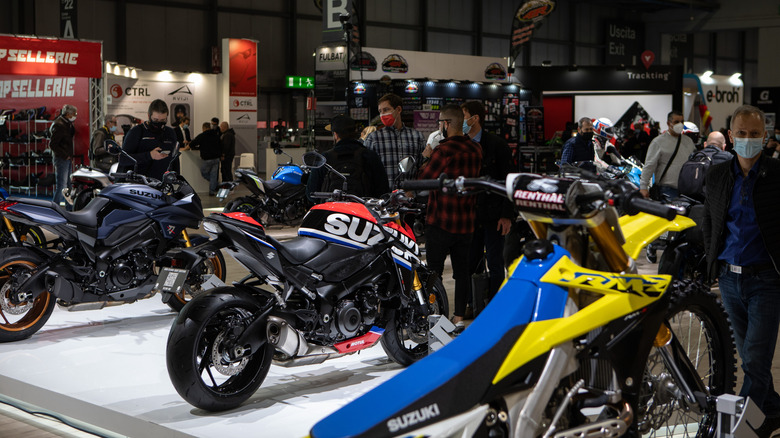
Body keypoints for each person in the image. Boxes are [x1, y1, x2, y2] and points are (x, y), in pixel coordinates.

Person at [702, 105, 780, 437]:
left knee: (757, 359)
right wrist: (711, 263)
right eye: (742, 133)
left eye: (755, 133)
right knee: (750, 357)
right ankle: (774, 411)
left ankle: (742, 428)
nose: (748, 139)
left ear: (766, 137)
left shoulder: (778, 175)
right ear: (731, 137)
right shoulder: (717, 175)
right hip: (730, 280)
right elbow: (710, 222)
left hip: (767, 280)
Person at [418, 104, 482, 333]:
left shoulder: (443, 151)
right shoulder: (476, 150)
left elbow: (425, 179)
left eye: (440, 123)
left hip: (441, 221)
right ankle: (458, 317)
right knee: (462, 272)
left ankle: (437, 318)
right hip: (466, 223)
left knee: (433, 271)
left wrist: (425, 157)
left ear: (446, 124)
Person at [461, 101, 513, 314]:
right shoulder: (461, 144)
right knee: (468, 263)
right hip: (469, 216)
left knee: (495, 263)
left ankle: (495, 309)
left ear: (475, 118)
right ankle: (471, 305)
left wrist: (507, 215)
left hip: (493, 215)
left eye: (465, 116)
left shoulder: (497, 145)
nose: (463, 121)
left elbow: (509, 180)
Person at [307, 115, 389, 201]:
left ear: (335, 135)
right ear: (355, 133)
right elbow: (383, 191)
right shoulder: (370, 156)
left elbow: (311, 194)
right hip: (362, 211)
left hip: (331, 211)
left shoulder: (324, 159)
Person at [364, 93, 425, 188]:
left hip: (408, 197)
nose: (382, 115)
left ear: (398, 110)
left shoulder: (417, 137)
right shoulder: (373, 138)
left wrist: (414, 191)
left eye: (386, 110)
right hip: (383, 197)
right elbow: (366, 171)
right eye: (380, 111)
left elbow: (422, 168)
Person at [639, 110, 696, 202]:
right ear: (668, 123)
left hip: (686, 191)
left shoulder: (688, 142)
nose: (680, 124)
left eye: (682, 122)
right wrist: (643, 187)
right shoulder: (658, 142)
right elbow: (649, 166)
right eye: (676, 122)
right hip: (666, 190)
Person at [120, 99, 177, 181]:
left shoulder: (170, 132)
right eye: (156, 120)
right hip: (140, 184)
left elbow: (174, 159)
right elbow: (123, 159)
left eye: (163, 120)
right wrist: (149, 155)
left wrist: (176, 178)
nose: (159, 123)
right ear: (148, 116)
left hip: (162, 184)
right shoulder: (137, 132)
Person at [50, 104, 77, 209]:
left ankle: (69, 207)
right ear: (68, 114)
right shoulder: (59, 124)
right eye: (74, 114)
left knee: (69, 185)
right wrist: (64, 155)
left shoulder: (67, 124)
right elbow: (53, 144)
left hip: (67, 157)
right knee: (62, 185)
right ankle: (54, 207)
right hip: (61, 158)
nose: (75, 116)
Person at [189, 122, 222, 196]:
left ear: (204, 128)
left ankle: (216, 184)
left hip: (207, 159)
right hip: (216, 158)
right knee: (213, 175)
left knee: (204, 172)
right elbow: (220, 145)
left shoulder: (202, 135)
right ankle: (212, 191)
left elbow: (192, 144)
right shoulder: (216, 135)